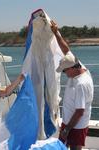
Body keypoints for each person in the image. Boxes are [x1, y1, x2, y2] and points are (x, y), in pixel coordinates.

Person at [50, 20, 94, 150]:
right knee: (62, 147)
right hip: (68, 122)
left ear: (73, 68)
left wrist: (66, 130)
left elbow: (80, 111)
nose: (64, 73)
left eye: (65, 70)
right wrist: (56, 32)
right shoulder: (78, 65)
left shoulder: (81, 84)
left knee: (75, 148)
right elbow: (66, 49)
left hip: (76, 125)